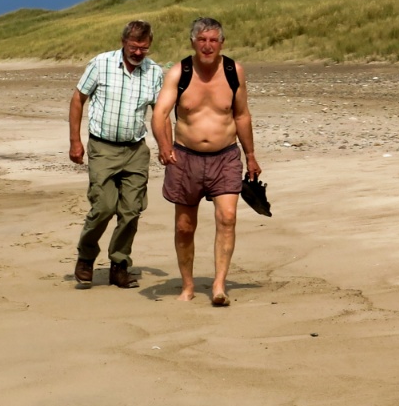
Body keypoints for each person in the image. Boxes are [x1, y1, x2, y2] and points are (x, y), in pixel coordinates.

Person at [150, 17, 262, 307]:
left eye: (213, 40)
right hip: (185, 158)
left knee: (228, 218)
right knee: (185, 227)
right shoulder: (179, 72)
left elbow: (241, 115)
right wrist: (164, 146)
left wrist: (250, 155)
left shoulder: (233, 71)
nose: (208, 45)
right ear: (193, 43)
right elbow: (160, 114)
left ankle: (219, 285)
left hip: (225, 157)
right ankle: (187, 285)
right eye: (202, 40)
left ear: (222, 43)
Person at [68, 20, 164, 288]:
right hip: (103, 148)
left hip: (136, 150)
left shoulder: (154, 72)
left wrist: (166, 146)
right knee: (104, 207)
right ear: (124, 42)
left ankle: (119, 265)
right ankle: (86, 257)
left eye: (143, 48)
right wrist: (75, 141)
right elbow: (78, 100)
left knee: (131, 210)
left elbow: (160, 113)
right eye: (134, 47)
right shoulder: (101, 63)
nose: (138, 53)